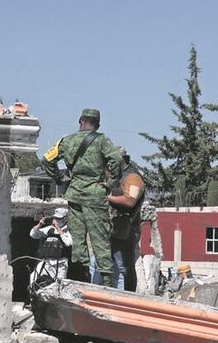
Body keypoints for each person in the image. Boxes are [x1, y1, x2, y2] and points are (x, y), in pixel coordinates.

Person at [40, 108, 122, 286]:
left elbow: (47, 159)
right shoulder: (102, 141)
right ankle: (107, 285)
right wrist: (109, 184)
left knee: (78, 241)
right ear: (97, 125)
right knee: (100, 241)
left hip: (75, 195)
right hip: (95, 196)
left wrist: (60, 178)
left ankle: (79, 281)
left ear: (80, 121)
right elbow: (116, 160)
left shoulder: (67, 140)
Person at [107, 148, 146, 292]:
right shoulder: (118, 176)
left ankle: (128, 296)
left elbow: (130, 200)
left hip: (126, 231)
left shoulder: (132, 177)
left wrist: (106, 198)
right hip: (116, 230)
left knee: (124, 267)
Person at [29, 207, 72, 287]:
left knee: (58, 285)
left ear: (65, 219)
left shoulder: (67, 231)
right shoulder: (49, 229)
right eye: (55, 218)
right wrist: (39, 225)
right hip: (47, 262)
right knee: (33, 278)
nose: (56, 220)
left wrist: (58, 228)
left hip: (60, 264)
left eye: (59, 218)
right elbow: (33, 234)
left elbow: (68, 242)